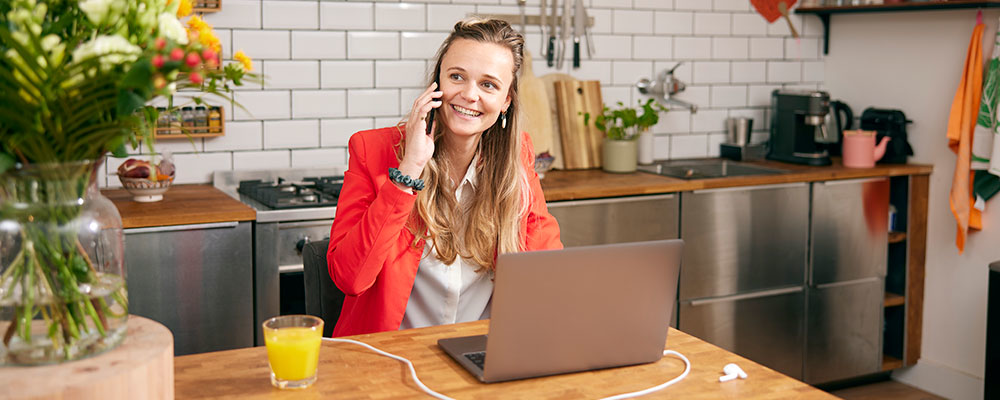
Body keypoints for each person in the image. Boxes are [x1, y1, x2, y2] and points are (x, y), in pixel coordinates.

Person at [326, 18, 562, 337]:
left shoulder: (517, 156)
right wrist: (408, 170)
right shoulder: (373, 150)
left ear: (506, 100)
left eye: (488, 84)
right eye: (457, 77)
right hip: (386, 358)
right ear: (437, 82)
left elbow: (547, 273)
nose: (469, 94)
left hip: (480, 354)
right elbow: (350, 278)